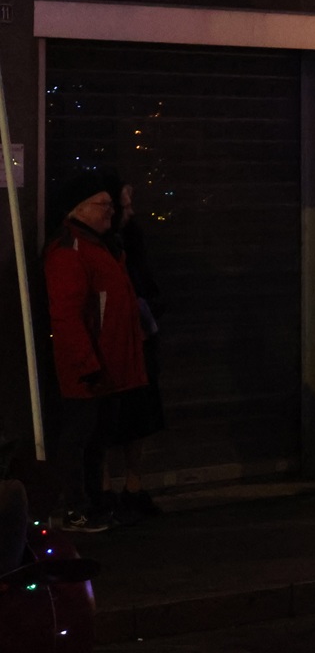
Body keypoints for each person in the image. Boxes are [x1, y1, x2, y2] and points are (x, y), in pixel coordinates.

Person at [43, 170, 147, 532]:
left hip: (107, 366)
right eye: (103, 204)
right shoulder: (70, 249)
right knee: (78, 439)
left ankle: (94, 500)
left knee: (97, 439)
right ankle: (76, 508)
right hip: (88, 370)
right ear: (80, 208)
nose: (111, 211)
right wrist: (87, 364)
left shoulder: (99, 245)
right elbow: (67, 315)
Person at [101, 179, 166, 521]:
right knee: (109, 416)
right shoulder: (96, 244)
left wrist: (149, 310)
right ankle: (105, 488)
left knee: (139, 413)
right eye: (124, 205)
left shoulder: (132, 238)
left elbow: (147, 282)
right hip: (113, 343)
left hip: (139, 338)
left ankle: (133, 485)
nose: (130, 211)